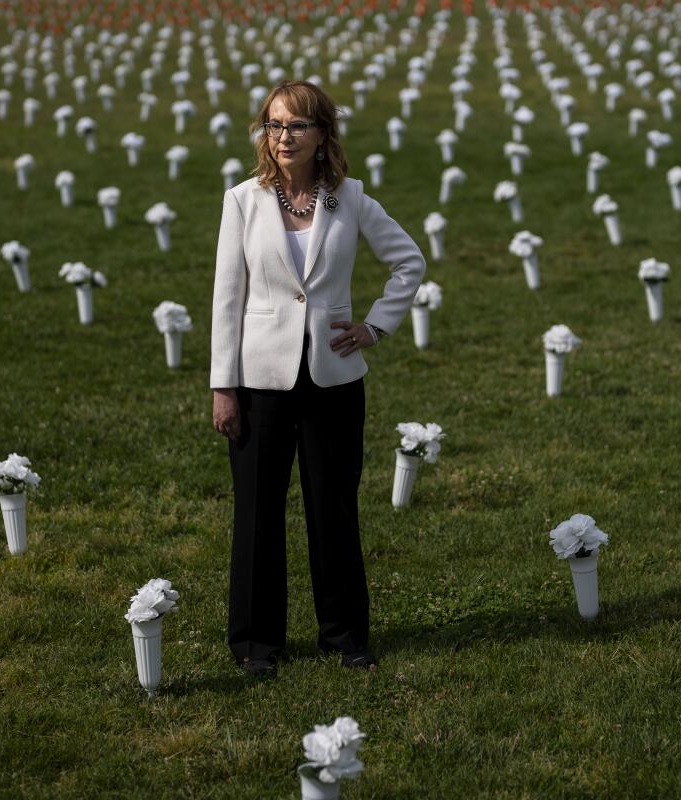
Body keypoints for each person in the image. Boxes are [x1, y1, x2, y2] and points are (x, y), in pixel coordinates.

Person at [210, 80, 425, 675]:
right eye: (273, 125)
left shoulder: (349, 198)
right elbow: (227, 299)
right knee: (257, 512)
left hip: (333, 379)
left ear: (323, 134)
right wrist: (222, 386)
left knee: (334, 507)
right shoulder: (242, 201)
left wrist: (375, 327)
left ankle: (346, 638)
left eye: (297, 126)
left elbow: (409, 260)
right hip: (258, 382)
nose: (283, 137)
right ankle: (256, 645)